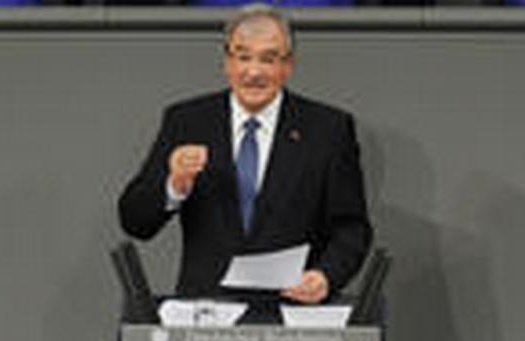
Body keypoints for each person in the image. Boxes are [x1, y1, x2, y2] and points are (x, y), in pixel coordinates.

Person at [118, 4, 372, 311]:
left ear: (288, 65)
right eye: (243, 57)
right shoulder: (188, 121)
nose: (253, 72)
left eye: (268, 59)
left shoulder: (327, 129)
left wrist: (326, 276)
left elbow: (352, 228)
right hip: (205, 315)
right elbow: (134, 220)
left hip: (293, 315)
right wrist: (174, 184)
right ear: (227, 61)